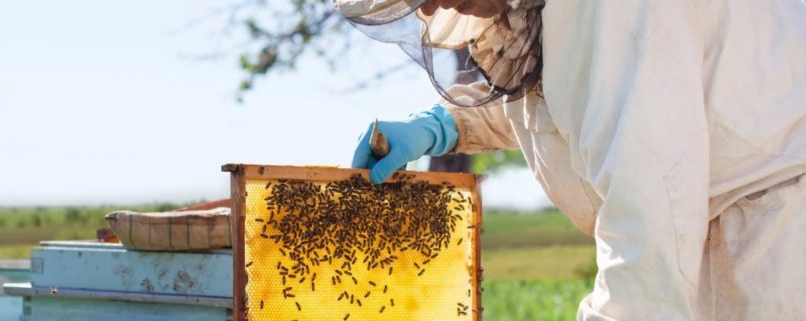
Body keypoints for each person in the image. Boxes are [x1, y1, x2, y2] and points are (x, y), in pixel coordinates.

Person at [336, 0, 806, 320]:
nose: (428, 9)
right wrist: (445, 124)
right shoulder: (544, 12)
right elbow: (566, 92)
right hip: (714, 228)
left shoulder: (610, 10)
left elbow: (651, 204)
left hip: (770, 235)